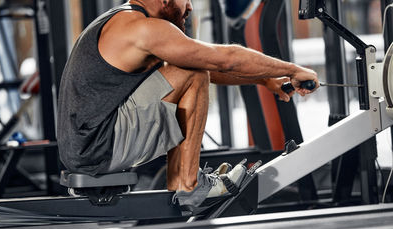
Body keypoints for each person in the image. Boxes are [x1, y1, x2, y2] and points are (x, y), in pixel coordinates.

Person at [57, 0, 319, 211]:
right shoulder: (144, 28)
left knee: (192, 71)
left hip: (88, 146)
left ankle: (182, 183)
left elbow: (201, 64)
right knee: (195, 76)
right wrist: (293, 69)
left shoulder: (124, 20)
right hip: (99, 147)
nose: (190, 7)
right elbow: (223, 60)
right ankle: (189, 185)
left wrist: (264, 79)